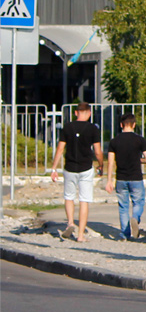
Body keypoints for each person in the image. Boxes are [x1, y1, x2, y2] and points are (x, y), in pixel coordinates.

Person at [49, 102, 103, 242]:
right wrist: (101, 165)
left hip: (70, 167)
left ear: (76, 113)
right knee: (84, 200)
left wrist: (54, 168)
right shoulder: (93, 129)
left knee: (69, 197)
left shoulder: (67, 127)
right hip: (86, 168)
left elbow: (60, 149)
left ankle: (70, 223)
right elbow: (97, 151)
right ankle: (80, 235)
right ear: (89, 113)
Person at [105, 113, 146, 240]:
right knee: (138, 202)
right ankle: (135, 218)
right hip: (136, 177)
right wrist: (139, 160)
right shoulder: (140, 140)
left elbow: (110, 162)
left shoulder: (114, 141)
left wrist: (109, 180)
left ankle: (124, 234)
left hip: (120, 178)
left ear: (121, 125)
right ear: (134, 125)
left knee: (123, 206)